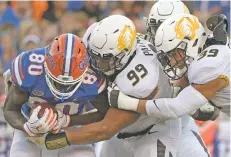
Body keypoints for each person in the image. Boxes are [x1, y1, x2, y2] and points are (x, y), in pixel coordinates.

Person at [28, 14, 182, 157]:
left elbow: (105, 129)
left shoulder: (143, 77)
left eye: (104, 59)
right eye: (93, 56)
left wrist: (51, 142)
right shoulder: (94, 39)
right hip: (120, 132)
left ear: (124, 55)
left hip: (153, 130)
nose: (96, 64)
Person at [107, 13, 230, 126]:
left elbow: (177, 107)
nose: (171, 61)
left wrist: (126, 102)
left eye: (174, 53)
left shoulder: (207, 67)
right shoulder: (208, 47)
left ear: (192, 43)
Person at [3, 33, 109, 157]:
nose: (63, 87)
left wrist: (67, 120)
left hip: (72, 129)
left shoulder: (93, 76)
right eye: (57, 81)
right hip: (29, 124)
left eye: (70, 83)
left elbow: (105, 114)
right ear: (46, 64)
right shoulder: (30, 66)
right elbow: (10, 110)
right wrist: (27, 126)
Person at [138, 1, 213, 157]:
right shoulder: (137, 50)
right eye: (157, 27)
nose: (161, 34)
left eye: (167, 26)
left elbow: (208, 111)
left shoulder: (196, 54)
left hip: (177, 123)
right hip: (134, 128)